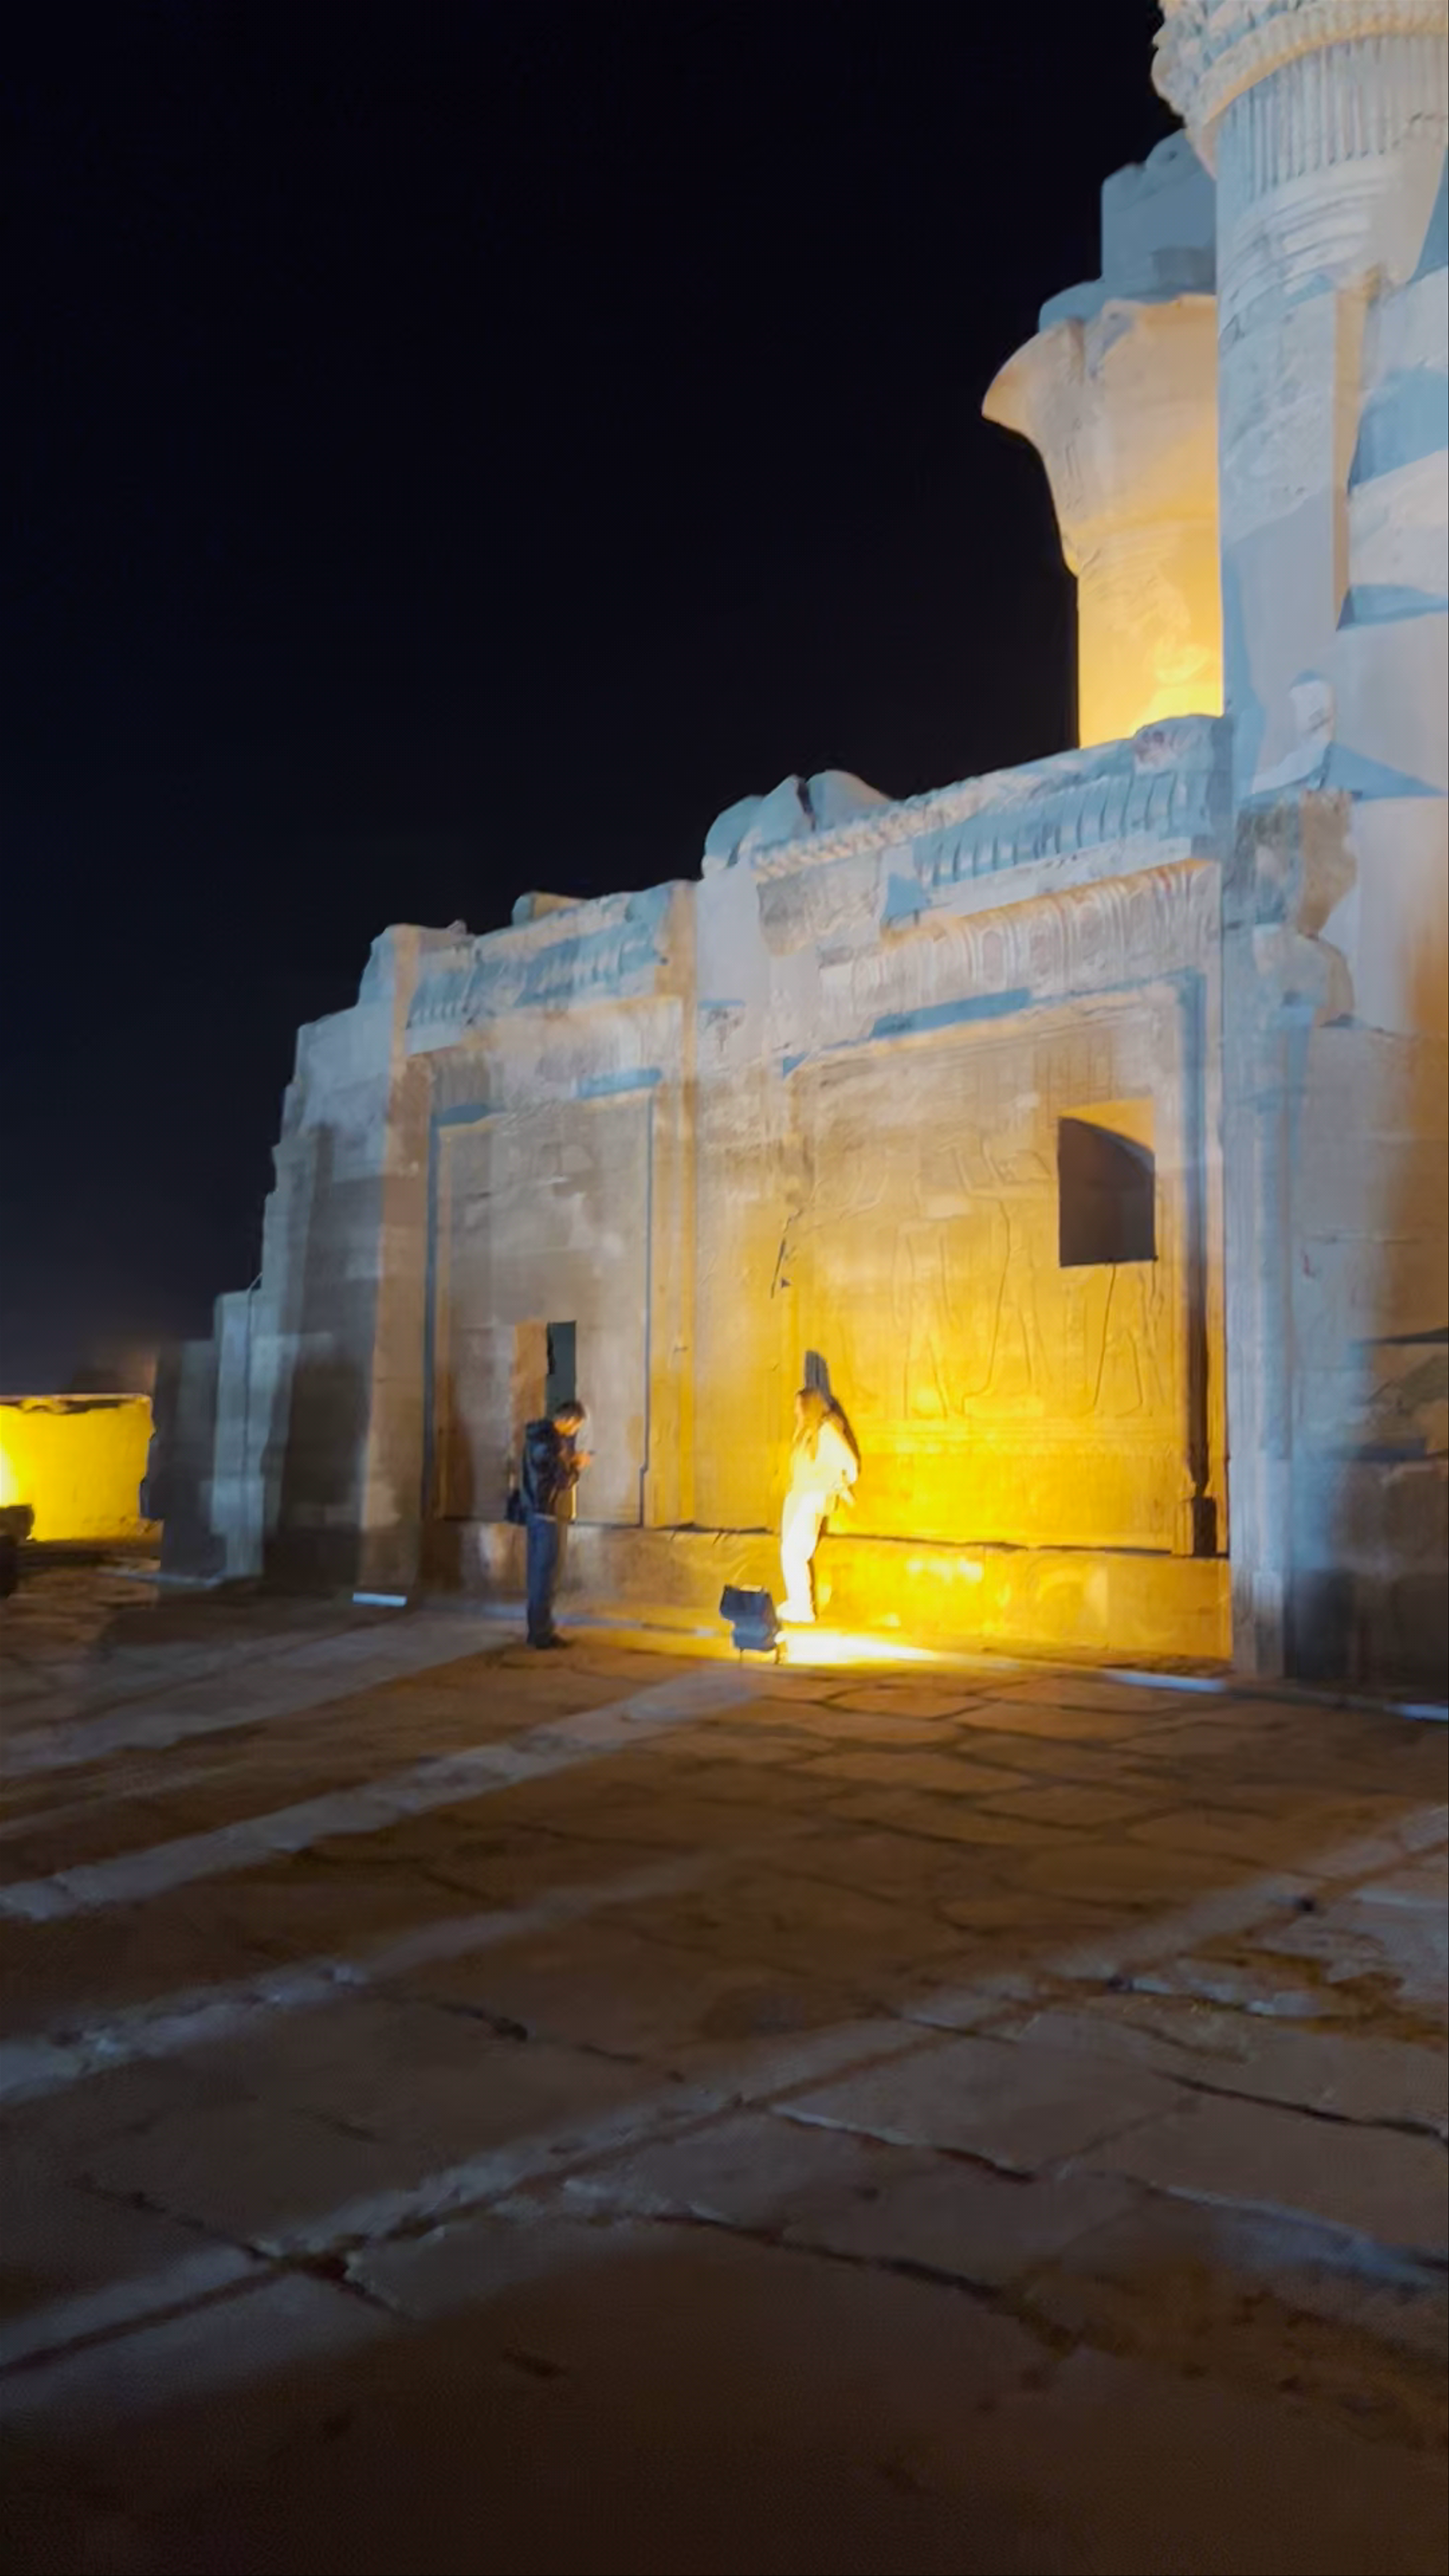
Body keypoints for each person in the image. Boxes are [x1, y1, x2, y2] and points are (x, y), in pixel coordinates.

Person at [779, 1386, 857, 1625]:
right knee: (792, 1551)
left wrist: (834, 1483)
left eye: (798, 1405)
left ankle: (802, 1608)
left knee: (794, 1552)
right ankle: (798, 1603)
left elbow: (850, 1465)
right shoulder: (808, 1433)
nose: (795, 1411)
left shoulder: (826, 1431)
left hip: (811, 1498)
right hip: (802, 1497)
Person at [519, 1398, 590, 1649]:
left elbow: (546, 1472)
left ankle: (538, 1630)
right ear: (569, 1420)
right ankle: (541, 1634)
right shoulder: (552, 1443)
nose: (576, 1431)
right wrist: (578, 1467)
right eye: (577, 1426)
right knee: (545, 1574)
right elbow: (562, 1481)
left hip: (534, 1511)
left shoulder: (537, 1438)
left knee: (539, 1574)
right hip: (545, 1513)